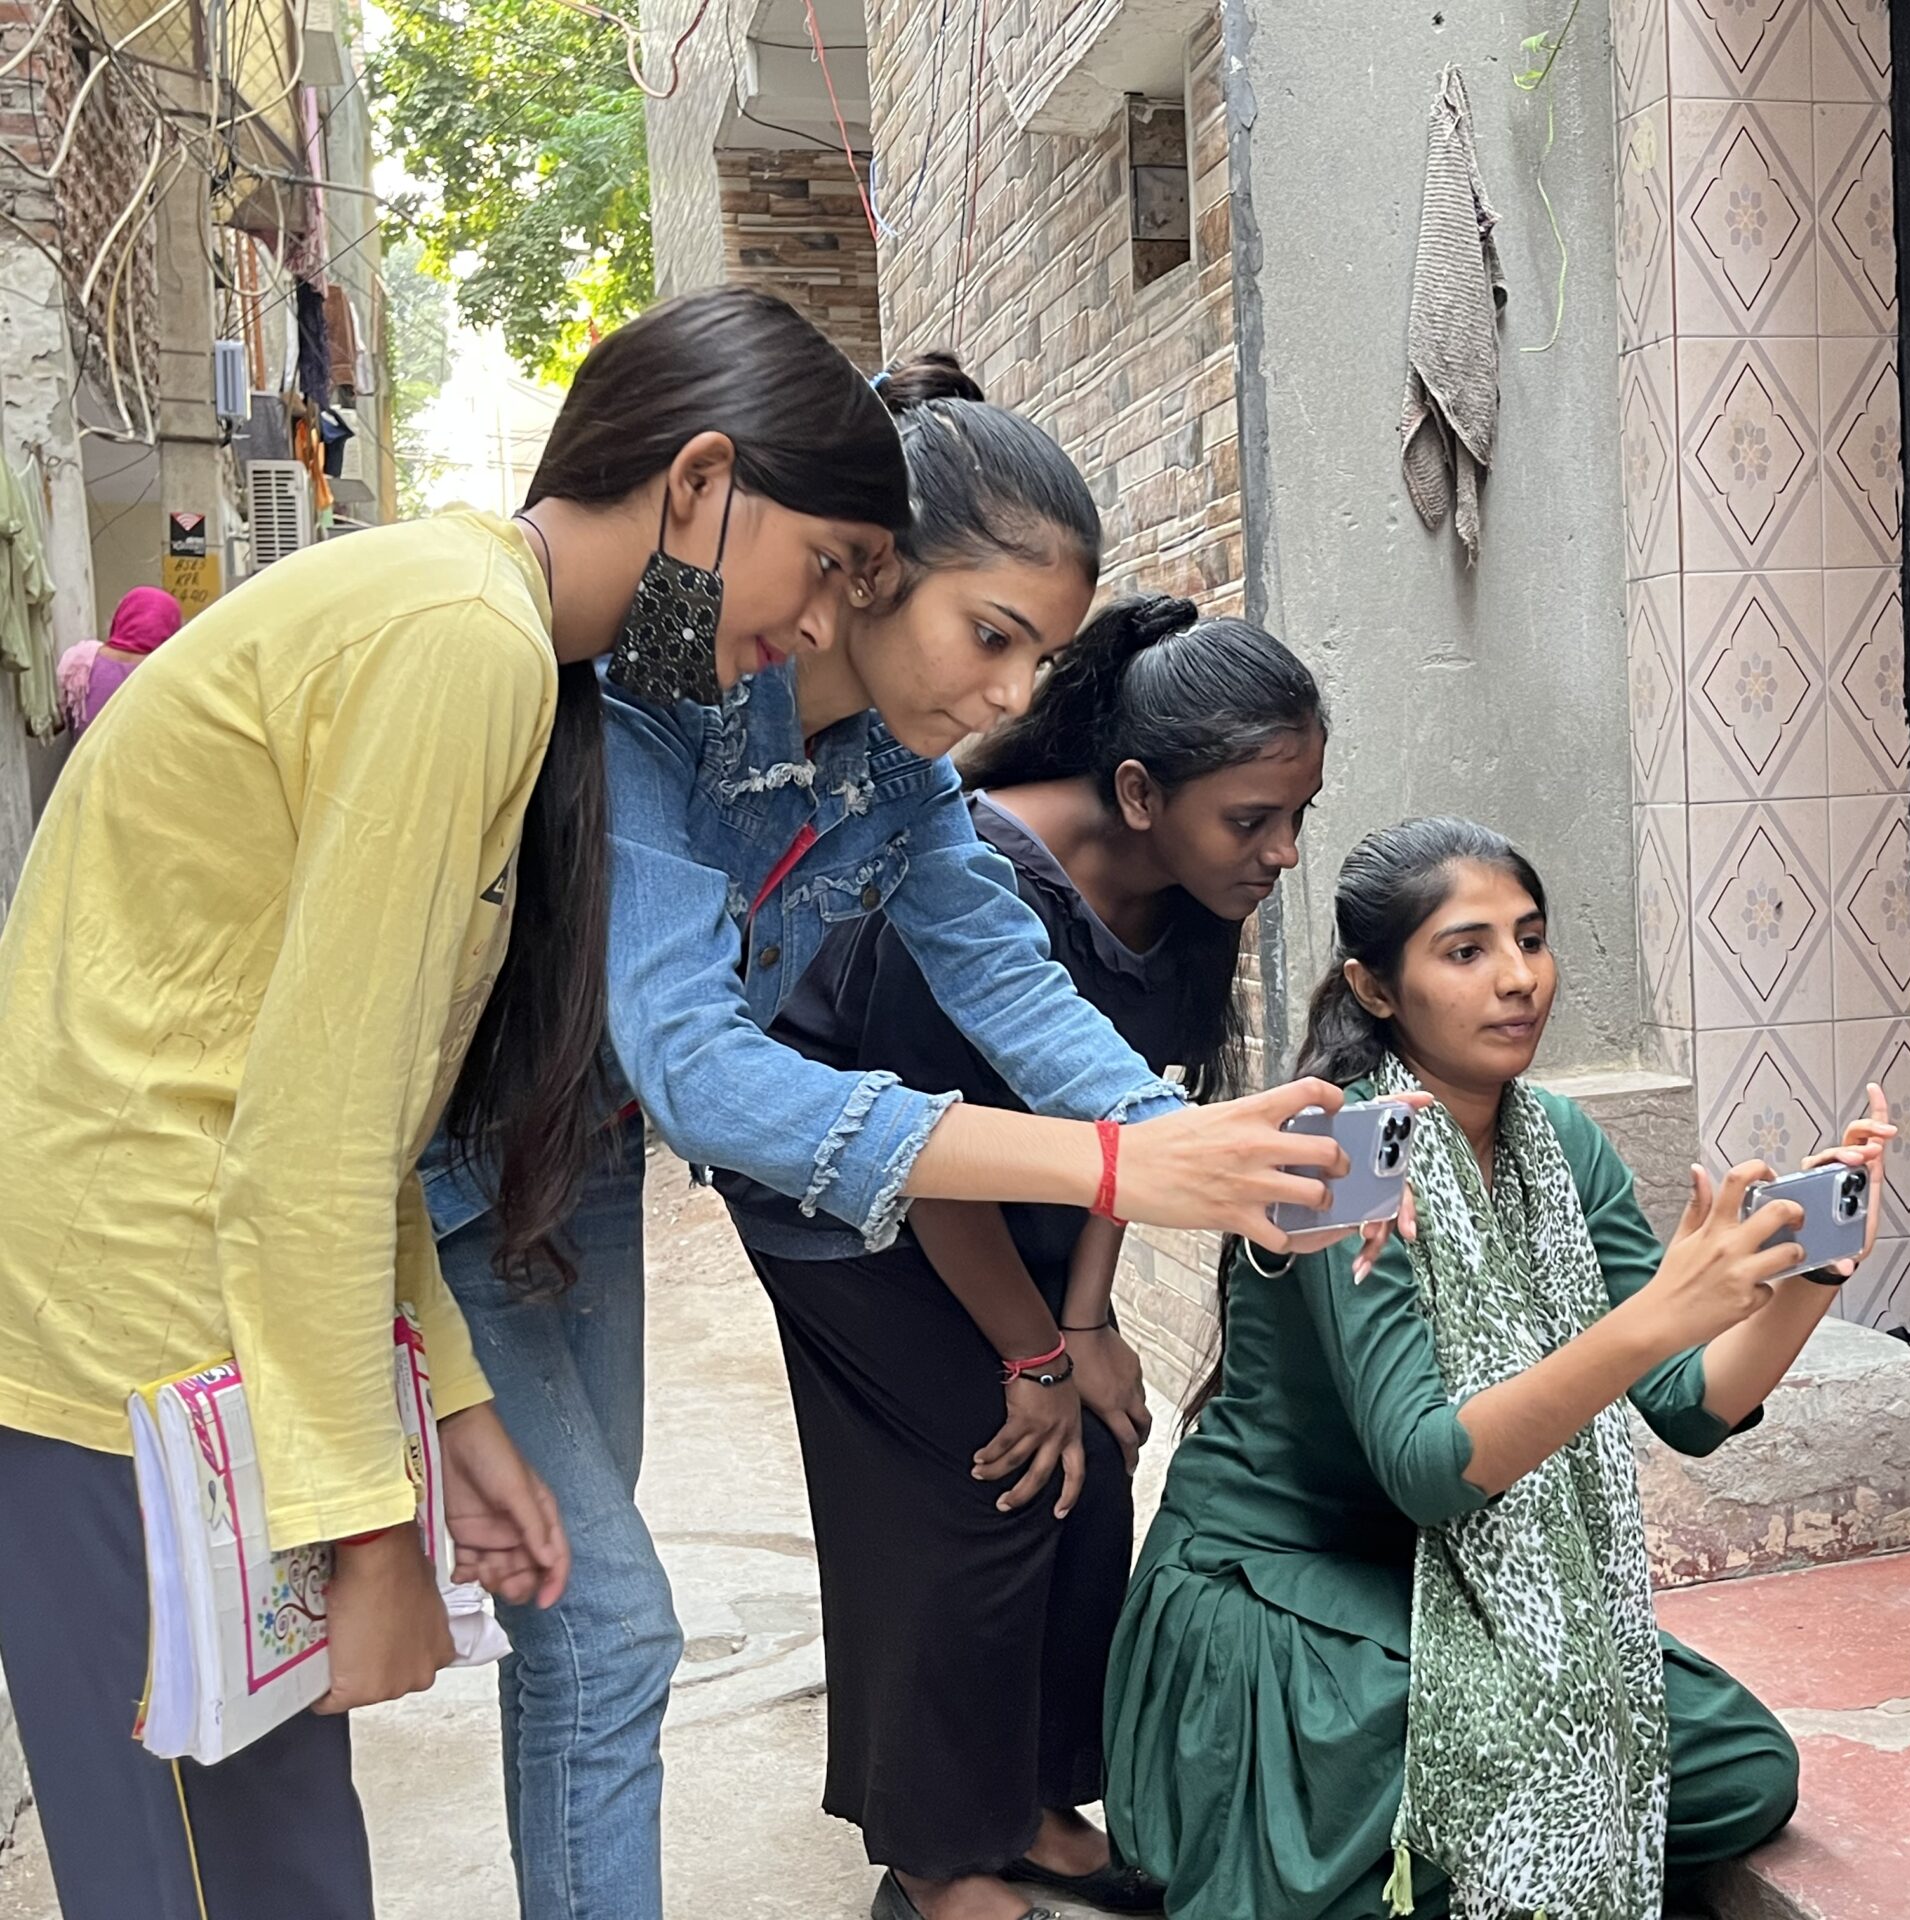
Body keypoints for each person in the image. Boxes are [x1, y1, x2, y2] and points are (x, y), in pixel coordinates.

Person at [0, 277, 917, 1915]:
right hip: (129, 1343)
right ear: (700, 484)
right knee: (204, 1880)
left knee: (280, 1868)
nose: (824, 628)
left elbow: (363, 1105)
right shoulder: (465, 643)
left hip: (190, 1339)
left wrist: (467, 1412)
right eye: (827, 568)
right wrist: (366, 1525)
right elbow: (312, 1129)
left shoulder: (485, 634)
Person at [424, 347, 1366, 1920]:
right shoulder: (651, 711)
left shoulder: (901, 778)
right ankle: (933, 1855)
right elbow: (707, 1078)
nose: (1009, 698)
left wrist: (1189, 1139)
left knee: (576, 1593)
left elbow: (1011, 983)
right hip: (477, 1171)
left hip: (584, 1164)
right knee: (616, 1622)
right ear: (860, 568)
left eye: (1037, 658)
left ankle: (992, 1820)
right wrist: (1112, 1172)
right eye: (987, 637)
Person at [1104, 817, 1896, 1920]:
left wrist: (1805, 1272)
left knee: (1739, 1767)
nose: (1518, 980)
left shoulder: (1561, 1142)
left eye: (1530, 939)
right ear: (1375, 989)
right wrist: (1660, 1312)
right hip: (1288, 1590)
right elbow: (1428, 1469)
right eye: (1466, 951)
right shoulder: (1347, 1172)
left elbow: (1690, 1405)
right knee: (1511, 1759)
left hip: (1475, 1586)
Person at [723, 592, 1328, 1920]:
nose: (1283, 853)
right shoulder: (981, 875)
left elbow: (1134, 1110)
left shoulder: (1192, 886)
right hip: (849, 1198)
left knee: (1090, 1471)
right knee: (976, 1484)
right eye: (1252, 820)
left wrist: (1094, 1326)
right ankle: (937, 1858)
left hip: (1017, 1193)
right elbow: (925, 1161)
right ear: (1135, 788)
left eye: (1300, 818)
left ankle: (1036, 1807)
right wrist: (1035, 1355)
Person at [60, 584, 184, 733]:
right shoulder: (171, 675)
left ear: (121, 617)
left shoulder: (82, 662)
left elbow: (61, 718)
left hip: (86, 756)